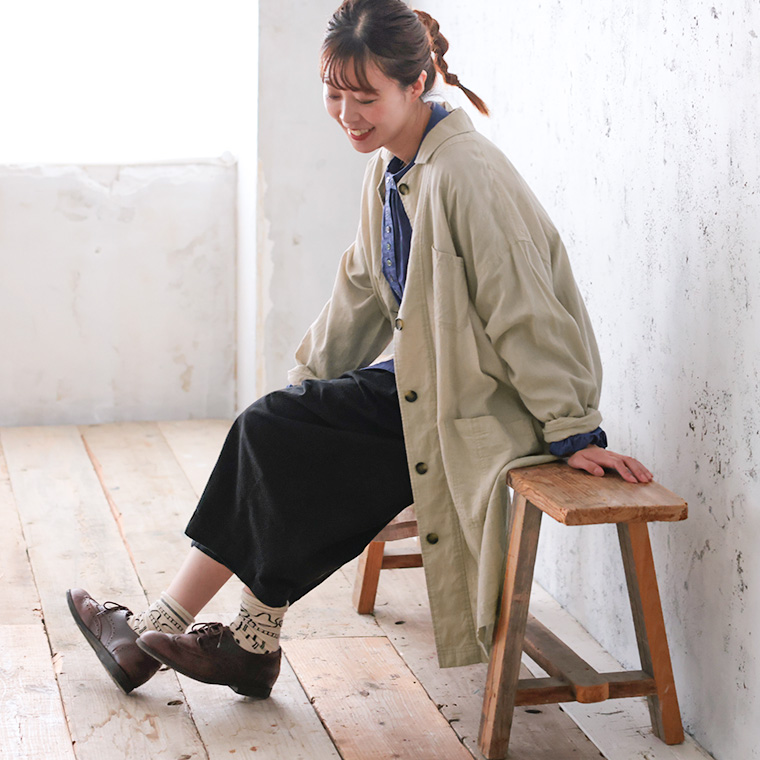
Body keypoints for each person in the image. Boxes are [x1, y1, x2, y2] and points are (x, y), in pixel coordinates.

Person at [67, 0, 652, 699]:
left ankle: (200, 639)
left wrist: (572, 427)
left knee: (274, 435)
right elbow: (360, 291)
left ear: (416, 84)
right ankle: (217, 641)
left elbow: (525, 309)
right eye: (334, 94)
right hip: (430, 385)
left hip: (487, 405)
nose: (347, 114)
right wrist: (305, 386)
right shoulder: (391, 168)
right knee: (276, 430)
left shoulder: (467, 173)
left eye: (365, 97)